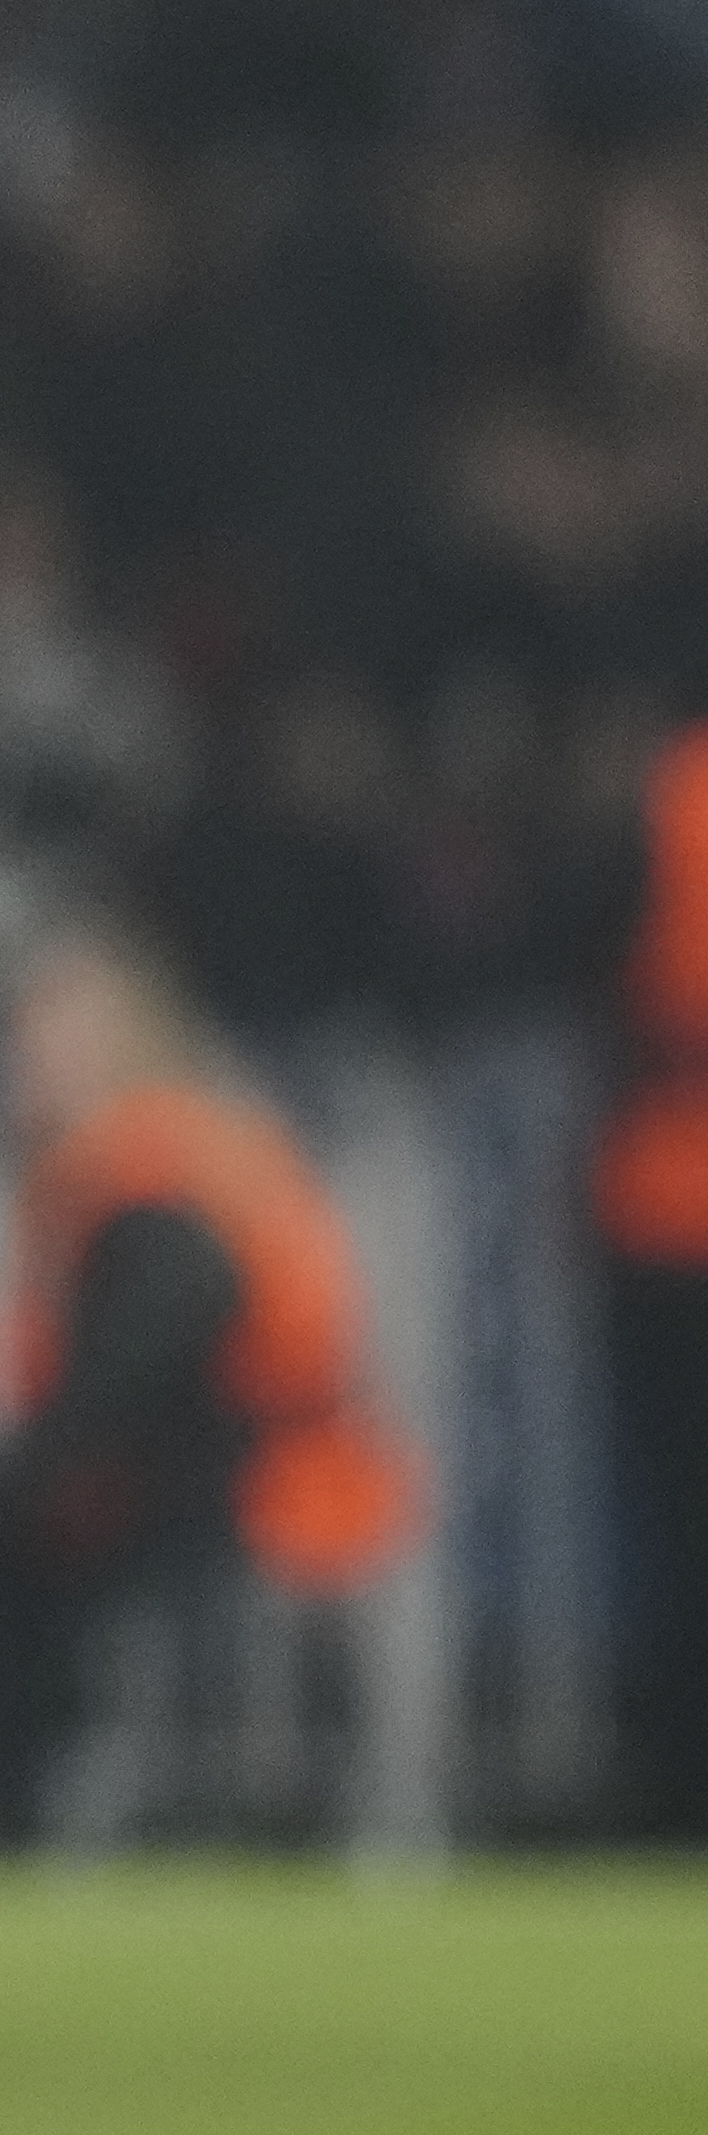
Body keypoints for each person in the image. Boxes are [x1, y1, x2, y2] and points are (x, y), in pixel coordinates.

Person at [0, 929, 416, 1844]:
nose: (21, 1064)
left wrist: (29, 1463)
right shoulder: (193, 1141)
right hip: (261, 1465)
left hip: (255, 1485)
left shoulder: (142, 1165)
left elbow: (159, 1338)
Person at [591, 720, 708, 1834]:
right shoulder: (673, 791)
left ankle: (675, 1782)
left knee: (679, 1529)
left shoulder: (670, 788)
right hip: (669, 1207)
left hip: (666, 1208)